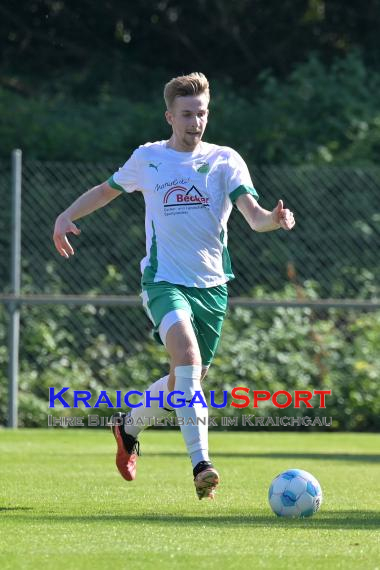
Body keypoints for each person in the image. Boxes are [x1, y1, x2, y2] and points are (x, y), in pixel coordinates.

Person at [53, 72, 295, 500]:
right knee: (186, 356)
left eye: (201, 113)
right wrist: (65, 216)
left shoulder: (225, 160)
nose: (195, 122)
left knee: (186, 380)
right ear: (170, 116)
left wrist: (272, 221)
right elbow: (106, 191)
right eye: (186, 114)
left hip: (213, 286)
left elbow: (253, 216)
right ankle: (202, 464)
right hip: (163, 281)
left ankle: (127, 427)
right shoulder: (149, 158)